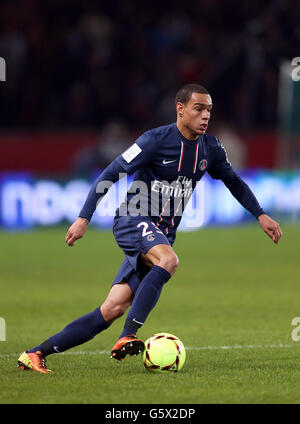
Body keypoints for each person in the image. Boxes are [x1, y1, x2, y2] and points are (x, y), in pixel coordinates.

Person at [17, 84, 282, 373]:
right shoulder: (155, 140)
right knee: (169, 260)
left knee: (112, 309)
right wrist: (84, 217)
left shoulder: (211, 149)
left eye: (209, 110)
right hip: (133, 218)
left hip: (161, 233)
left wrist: (260, 214)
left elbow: (234, 182)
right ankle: (127, 336)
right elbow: (110, 173)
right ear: (180, 110)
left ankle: (35, 354)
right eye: (198, 108)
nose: (205, 115)